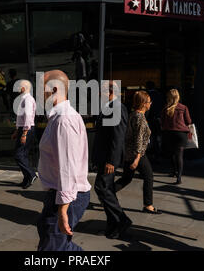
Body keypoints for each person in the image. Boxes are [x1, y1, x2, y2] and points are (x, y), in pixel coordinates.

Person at [37, 70, 91, 251]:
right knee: (55, 243)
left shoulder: (64, 120)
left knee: (52, 248)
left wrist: (63, 210)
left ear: (52, 90)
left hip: (68, 196)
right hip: (60, 194)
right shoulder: (58, 117)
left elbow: (68, 167)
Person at [92, 81, 132, 239]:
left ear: (110, 92)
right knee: (106, 189)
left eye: (100, 91)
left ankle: (122, 220)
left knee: (102, 188)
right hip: (104, 157)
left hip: (108, 159)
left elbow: (118, 136)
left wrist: (111, 161)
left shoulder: (117, 108)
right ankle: (113, 224)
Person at [115, 91, 162, 214]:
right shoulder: (140, 118)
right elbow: (139, 139)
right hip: (138, 154)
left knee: (126, 178)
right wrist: (137, 158)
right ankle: (148, 205)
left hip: (129, 152)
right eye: (149, 101)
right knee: (149, 177)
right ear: (143, 103)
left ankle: (107, 193)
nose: (150, 104)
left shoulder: (132, 114)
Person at [161, 88, 192, 185]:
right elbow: (189, 121)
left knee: (171, 154)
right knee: (179, 155)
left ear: (168, 97)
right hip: (180, 134)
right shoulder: (183, 107)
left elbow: (162, 121)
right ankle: (179, 177)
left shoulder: (165, 108)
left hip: (168, 133)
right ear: (178, 97)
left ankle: (174, 171)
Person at [11, 80, 37, 189]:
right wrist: (17, 131)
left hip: (27, 129)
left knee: (19, 155)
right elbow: (21, 117)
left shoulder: (28, 100)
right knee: (23, 155)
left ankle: (32, 174)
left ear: (23, 88)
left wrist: (24, 133)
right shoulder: (23, 99)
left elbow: (28, 116)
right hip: (23, 128)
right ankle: (27, 178)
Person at [145, 81, 163, 164]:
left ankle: (149, 152)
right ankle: (157, 152)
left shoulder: (146, 95)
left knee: (148, 136)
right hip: (157, 118)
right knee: (156, 136)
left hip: (148, 119)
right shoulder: (159, 95)